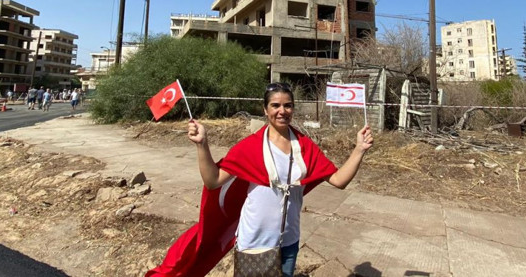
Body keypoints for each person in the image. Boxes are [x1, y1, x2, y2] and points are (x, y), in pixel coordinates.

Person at [146, 82, 373, 277]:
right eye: (275, 105)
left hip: (289, 243)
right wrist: (202, 145)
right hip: (254, 244)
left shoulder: (304, 146)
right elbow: (213, 181)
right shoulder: (250, 147)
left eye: (287, 105)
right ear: (265, 110)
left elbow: (338, 180)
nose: (282, 111)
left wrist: (360, 149)